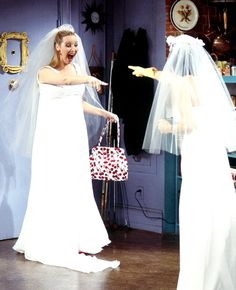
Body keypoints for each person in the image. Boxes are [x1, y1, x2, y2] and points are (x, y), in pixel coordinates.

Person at [0, 24, 120, 272]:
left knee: (73, 185)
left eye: (76, 45)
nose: (73, 49)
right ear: (57, 46)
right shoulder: (44, 72)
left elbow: (77, 101)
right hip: (52, 138)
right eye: (68, 45)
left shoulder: (74, 69)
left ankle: (73, 237)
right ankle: (47, 238)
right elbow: (64, 81)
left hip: (72, 137)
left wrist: (103, 112)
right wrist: (89, 78)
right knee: (52, 184)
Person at [129, 34, 236, 289]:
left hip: (197, 152)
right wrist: (149, 72)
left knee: (197, 208)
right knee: (215, 207)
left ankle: (199, 277)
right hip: (211, 152)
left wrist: (168, 127)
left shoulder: (180, 86)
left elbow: (190, 123)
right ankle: (219, 269)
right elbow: (170, 79)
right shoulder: (203, 81)